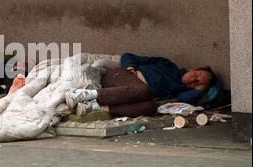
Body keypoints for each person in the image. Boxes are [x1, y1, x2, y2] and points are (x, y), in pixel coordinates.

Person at [66, 53, 220, 118]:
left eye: (198, 83)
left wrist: (200, 90)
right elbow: (128, 56)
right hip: (119, 78)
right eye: (198, 75)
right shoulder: (167, 64)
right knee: (145, 90)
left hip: (136, 94)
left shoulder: (181, 90)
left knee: (151, 107)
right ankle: (83, 94)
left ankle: (92, 107)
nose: (194, 81)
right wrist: (131, 68)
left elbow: (182, 100)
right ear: (194, 68)